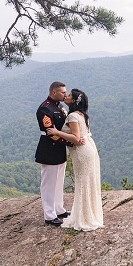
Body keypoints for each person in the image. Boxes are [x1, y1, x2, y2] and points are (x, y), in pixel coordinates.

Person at [45, 88, 104, 231]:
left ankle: (84, 217)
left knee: (83, 183)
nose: (66, 96)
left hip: (81, 153)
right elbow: (84, 134)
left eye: (70, 95)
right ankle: (89, 215)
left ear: (74, 100)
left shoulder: (72, 116)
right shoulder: (82, 115)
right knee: (88, 183)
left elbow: (77, 139)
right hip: (89, 150)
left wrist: (56, 132)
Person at [35, 81, 84, 226]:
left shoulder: (59, 107)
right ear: (54, 92)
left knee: (58, 181)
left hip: (59, 149)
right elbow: (51, 133)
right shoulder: (45, 109)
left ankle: (59, 208)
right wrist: (72, 142)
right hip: (49, 149)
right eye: (63, 92)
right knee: (49, 183)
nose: (65, 94)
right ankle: (49, 215)